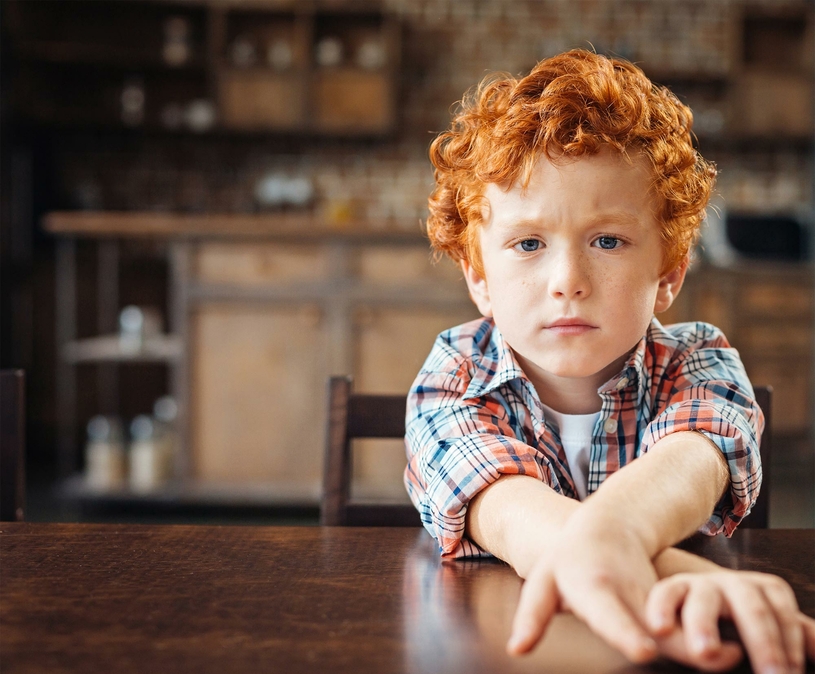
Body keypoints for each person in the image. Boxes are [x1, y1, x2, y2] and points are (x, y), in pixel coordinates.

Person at [404, 49, 815, 673]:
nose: (568, 280)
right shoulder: (454, 374)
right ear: (480, 278)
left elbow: (694, 459)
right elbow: (509, 516)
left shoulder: (698, 361)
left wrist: (620, 538)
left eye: (608, 240)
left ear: (669, 271)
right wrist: (673, 570)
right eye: (529, 243)